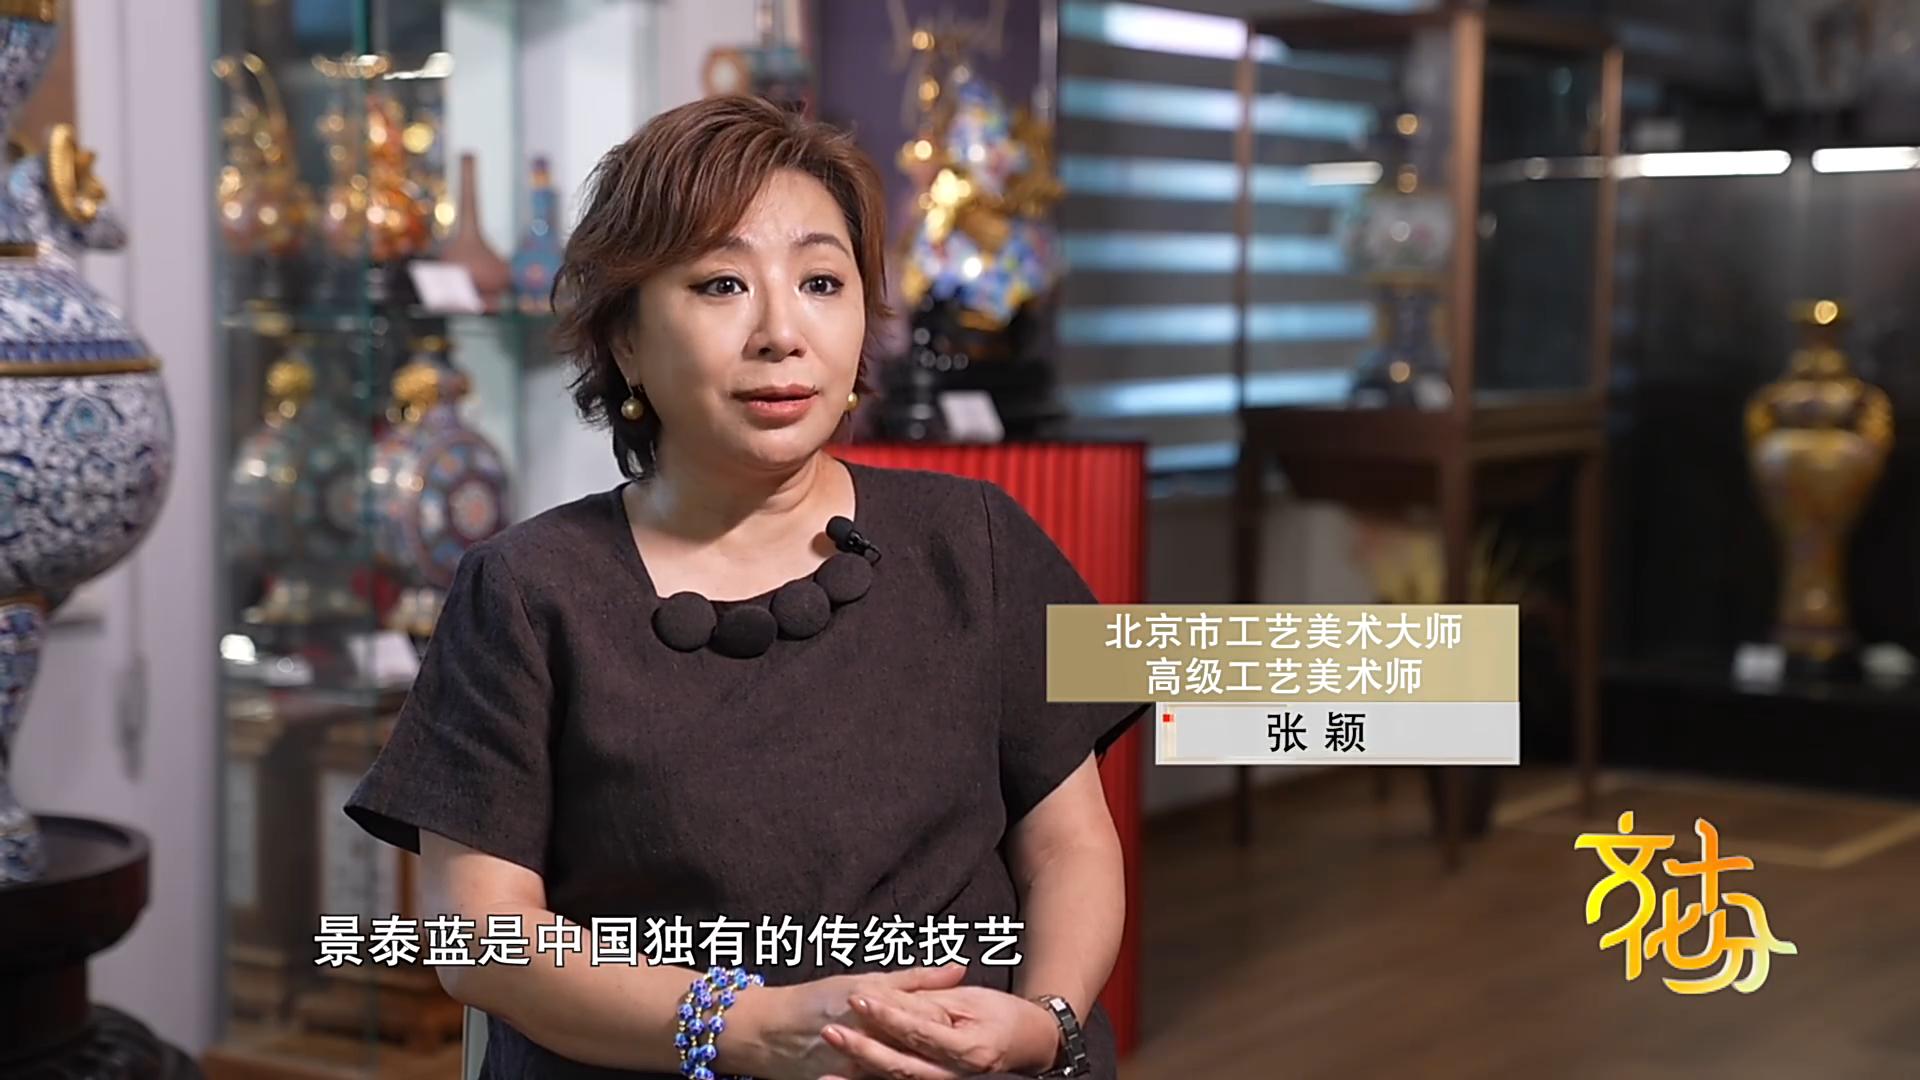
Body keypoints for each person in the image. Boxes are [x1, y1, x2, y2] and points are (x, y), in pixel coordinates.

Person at [344, 94, 1144, 1080]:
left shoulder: (975, 538)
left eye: (821, 281)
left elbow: (1069, 847)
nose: (781, 331)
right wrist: (745, 1027)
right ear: (625, 337)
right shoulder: (525, 590)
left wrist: (1047, 1023)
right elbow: (478, 934)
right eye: (721, 284)